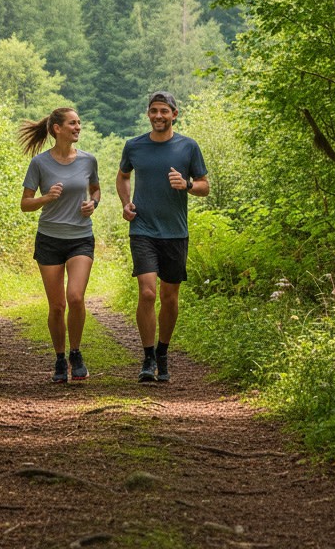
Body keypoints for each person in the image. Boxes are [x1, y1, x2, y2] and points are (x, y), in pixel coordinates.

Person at [116, 91, 208, 383]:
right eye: (154, 111)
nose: (158, 116)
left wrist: (187, 184)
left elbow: (205, 186)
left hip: (175, 232)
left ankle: (163, 351)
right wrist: (125, 203)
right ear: (148, 114)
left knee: (169, 297)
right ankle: (147, 357)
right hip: (142, 229)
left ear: (174, 114)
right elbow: (122, 176)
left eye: (164, 111)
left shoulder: (188, 147)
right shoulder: (134, 146)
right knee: (147, 292)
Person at [20, 106, 101, 384]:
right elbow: (25, 204)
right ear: (57, 129)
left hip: (80, 237)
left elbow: (96, 189)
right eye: (72, 123)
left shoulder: (89, 160)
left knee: (76, 297)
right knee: (57, 306)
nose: (78, 127)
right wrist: (46, 198)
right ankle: (59, 358)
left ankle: (76, 353)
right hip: (50, 239)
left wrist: (94, 204)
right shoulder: (40, 164)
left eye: (79, 123)